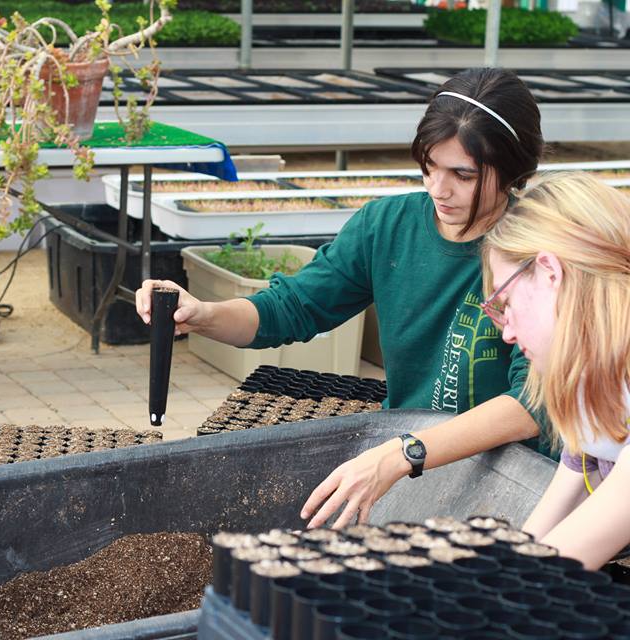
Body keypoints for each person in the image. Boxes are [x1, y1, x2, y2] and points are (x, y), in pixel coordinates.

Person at [135, 67, 547, 528]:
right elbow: (293, 306)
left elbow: (533, 403)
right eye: (429, 166)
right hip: (414, 464)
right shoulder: (387, 227)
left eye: (463, 175)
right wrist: (203, 314)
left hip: (516, 479)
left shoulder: (539, 253)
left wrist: (401, 454)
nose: (438, 189)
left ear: (515, 171)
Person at [481, 172, 630, 570]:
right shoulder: (601, 375)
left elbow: (550, 569)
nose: (507, 332)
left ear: (550, 272)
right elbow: (568, 493)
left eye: (505, 302)